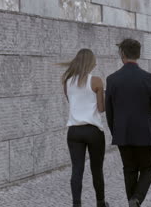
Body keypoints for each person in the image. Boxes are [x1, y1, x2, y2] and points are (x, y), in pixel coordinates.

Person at [105, 39, 151, 207]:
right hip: (145, 134)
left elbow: (110, 112)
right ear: (138, 54)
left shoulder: (112, 79)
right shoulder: (149, 78)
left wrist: (116, 131)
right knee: (148, 168)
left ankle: (133, 200)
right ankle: (136, 199)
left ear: (122, 54)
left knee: (129, 170)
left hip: (122, 134)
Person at [60, 48, 109, 207]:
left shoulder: (67, 81)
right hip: (93, 130)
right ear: (90, 62)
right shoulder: (96, 81)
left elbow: (73, 104)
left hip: (74, 131)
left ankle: (76, 204)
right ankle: (100, 203)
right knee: (97, 169)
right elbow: (101, 109)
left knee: (77, 170)